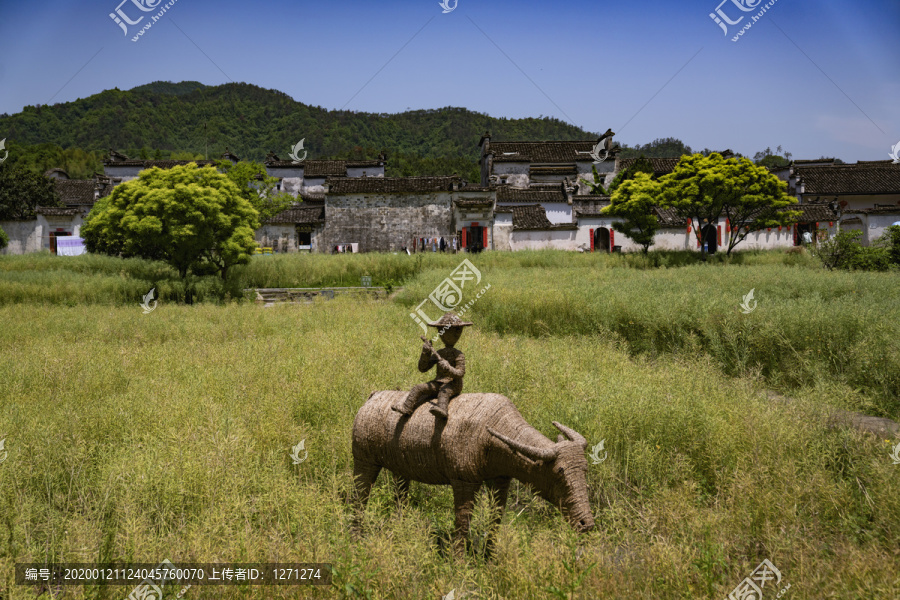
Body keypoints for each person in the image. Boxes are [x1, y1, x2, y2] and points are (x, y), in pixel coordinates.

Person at [392, 312, 472, 419]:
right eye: (442, 331)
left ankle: (442, 410)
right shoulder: (440, 352)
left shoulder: (458, 354)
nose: (445, 334)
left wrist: (448, 368)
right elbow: (423, 368)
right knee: (418, 388)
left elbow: (460, 373)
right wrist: (425, 353)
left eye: (451, 331)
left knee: (444, 393)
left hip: (454, 384)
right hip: (438, 383)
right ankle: (407, 408)